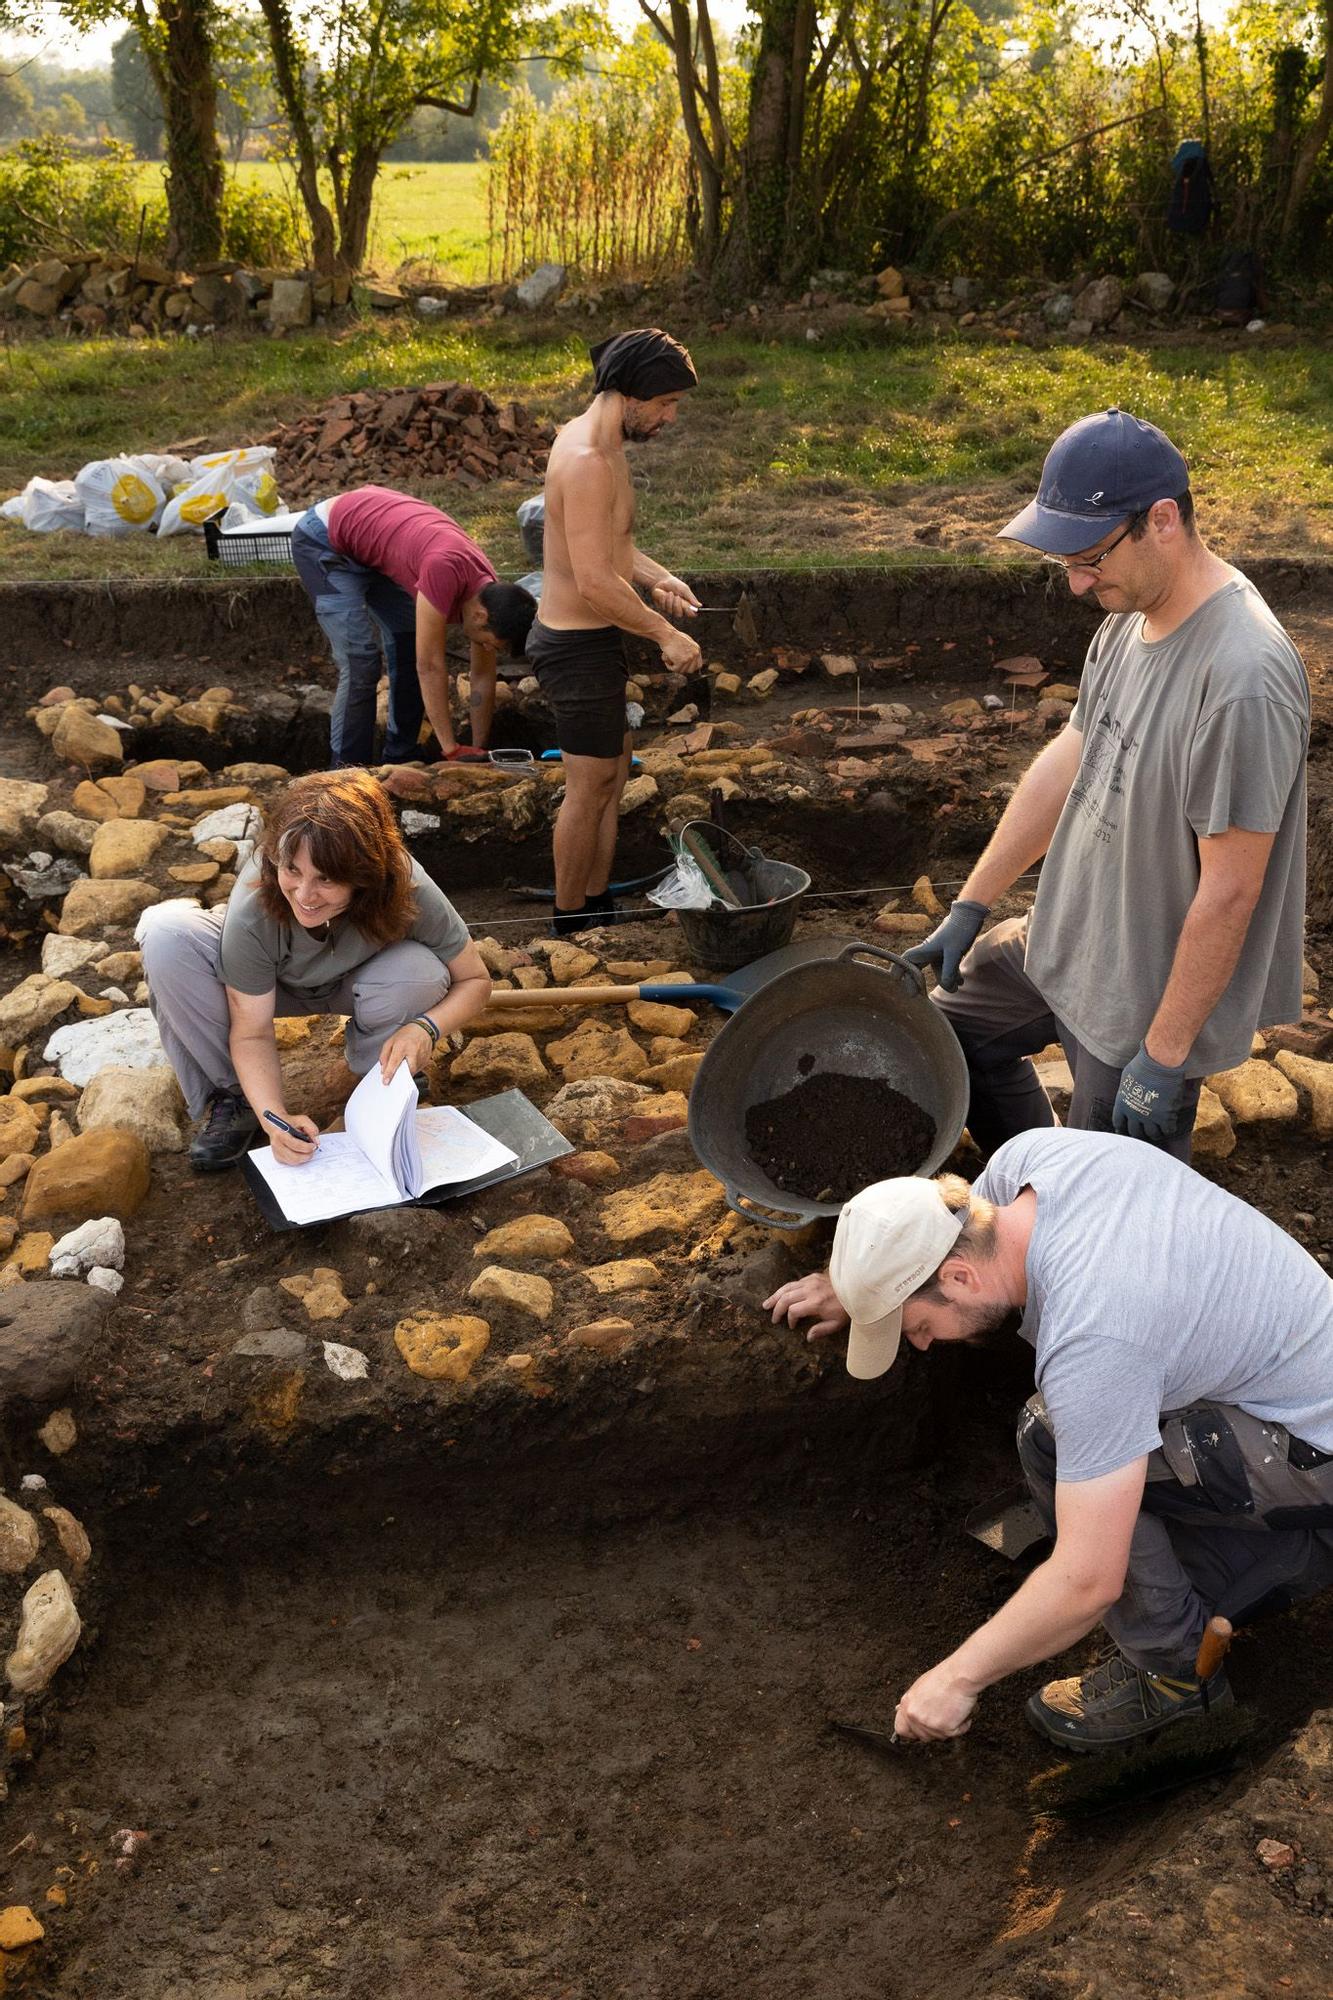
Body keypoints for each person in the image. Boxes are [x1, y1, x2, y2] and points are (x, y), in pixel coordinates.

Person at [764, 1127, 1333, 1750]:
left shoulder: (1094, 1339)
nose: (922, 1344)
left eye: (918, 1326)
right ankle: (1243, 1549)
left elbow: (1090, 1582)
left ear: (958, 1278)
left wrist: (956, 1679)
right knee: (1076, 1433)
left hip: (1309, 1446)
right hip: (1280, 1362)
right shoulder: (1026, 1165)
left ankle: (1176, 1678)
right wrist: (862, 1292)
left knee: (1053, 1436)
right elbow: (929, 1237)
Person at [904, 408, 1308, 1161]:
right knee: (946, 1031)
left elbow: (1229, 892)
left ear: (1161, 521)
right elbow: (1073, 752)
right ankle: (1041, 1181)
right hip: (1062, 941)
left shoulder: (1240, 677)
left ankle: (1076, 1225)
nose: (1076, 582)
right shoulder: (1129, 616)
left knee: (1112, 1211)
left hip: (1138, 1001)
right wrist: (972, 901)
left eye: (1088, 556)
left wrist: (1162, 1055)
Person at [139, 770, 492, 1171]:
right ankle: (238, 1098)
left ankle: (379, 1082)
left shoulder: (407, 886)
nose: (305, 896)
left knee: (420, 969)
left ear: (365, 874)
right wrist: (276, 1119)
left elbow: (476, 981)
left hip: (362, 979)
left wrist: (425, 1027)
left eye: (326, 879)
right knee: (166, 935)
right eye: (293, 871)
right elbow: (251, 1030)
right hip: (270, 982)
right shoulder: (256, 903)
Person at [531, 328, 704, 934]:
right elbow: (594, 582)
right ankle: (570, 918)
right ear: (630, 394)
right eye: (665, 403)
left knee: (613, 769)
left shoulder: (604, 451)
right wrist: (665, 634)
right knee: (589, 785)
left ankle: (596, 898)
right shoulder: (585, 462)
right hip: (573, 647)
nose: (670, 417)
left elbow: (614, 551)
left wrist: (662, 578)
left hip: (592, 641)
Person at [290, 486, 536, 769]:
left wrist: (479, 750)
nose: (488, 649)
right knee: (361, 662)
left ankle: (400, 755)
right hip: (324, 538)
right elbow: (430, 665)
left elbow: (482, 675)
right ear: (480, 616)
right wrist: (450, 749)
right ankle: (346, 772)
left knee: (408, 643)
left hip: (372, 545)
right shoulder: (443, 569)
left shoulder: (492, 594)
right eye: (490, 643)